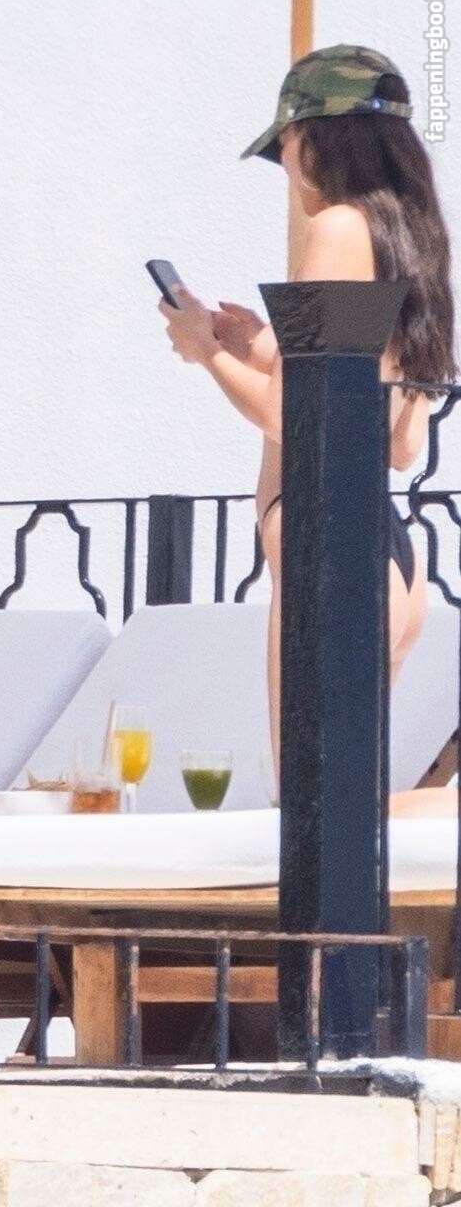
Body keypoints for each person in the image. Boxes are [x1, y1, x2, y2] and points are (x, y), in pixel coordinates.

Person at [157, 45, 455, 810]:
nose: (286, 167)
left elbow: (298, 418)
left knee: (314, 814)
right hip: (386, 553)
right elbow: (396, 439)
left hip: (324, 537)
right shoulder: (412, 239)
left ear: (314, 138)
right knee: (344, 819)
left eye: (284, 145)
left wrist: (200, 350)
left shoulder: (336, 229)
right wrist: (260, 346)